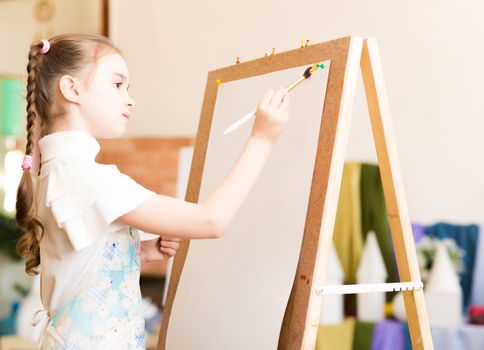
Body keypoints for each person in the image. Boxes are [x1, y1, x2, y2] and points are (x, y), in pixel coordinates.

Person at [15, 33, 290, 349]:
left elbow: (72, 259)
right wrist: (263, 139)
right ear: (72, 89)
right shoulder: (91, 178)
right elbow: (212, 220)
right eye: (118, 84)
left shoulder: (55, 170)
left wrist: (135, 252)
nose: (130, 99)